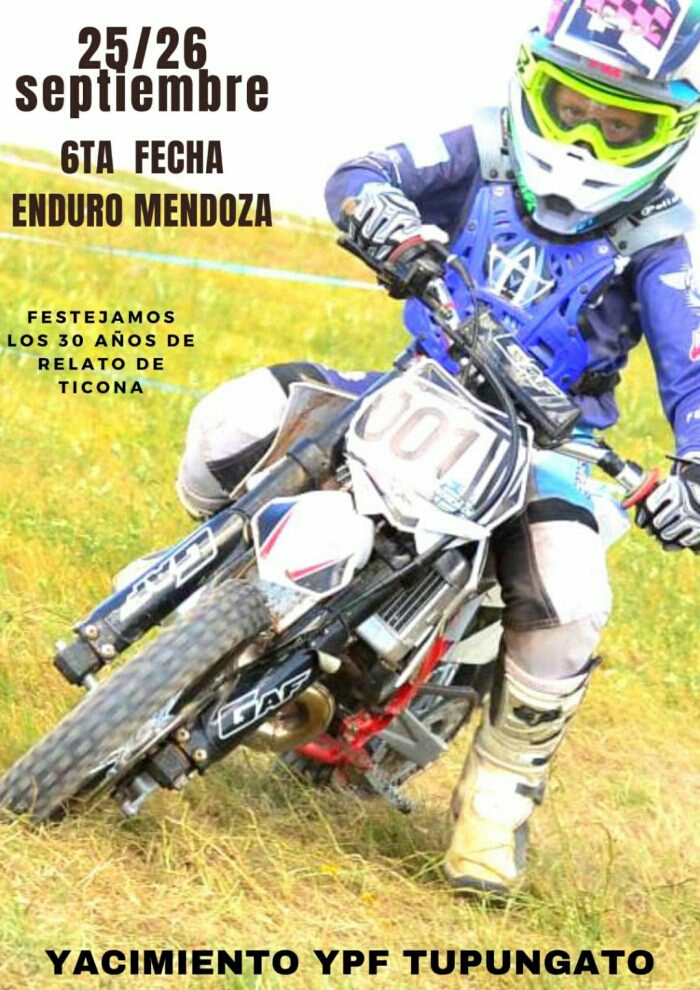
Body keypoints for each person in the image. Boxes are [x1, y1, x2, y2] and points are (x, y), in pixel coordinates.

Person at [176, 0, 700, 896]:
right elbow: (362, 170)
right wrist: (385, 216)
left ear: (669, 130)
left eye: (622, 125)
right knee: (229, 422)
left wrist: (693, 472)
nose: (587, 138)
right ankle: (197, 585)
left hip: (549, 449)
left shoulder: (663, 242)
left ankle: (497, 805)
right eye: (572, 107)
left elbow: (694, 366)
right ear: (534, 84)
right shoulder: (482, 148)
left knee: (572, 596)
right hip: (413, 383)